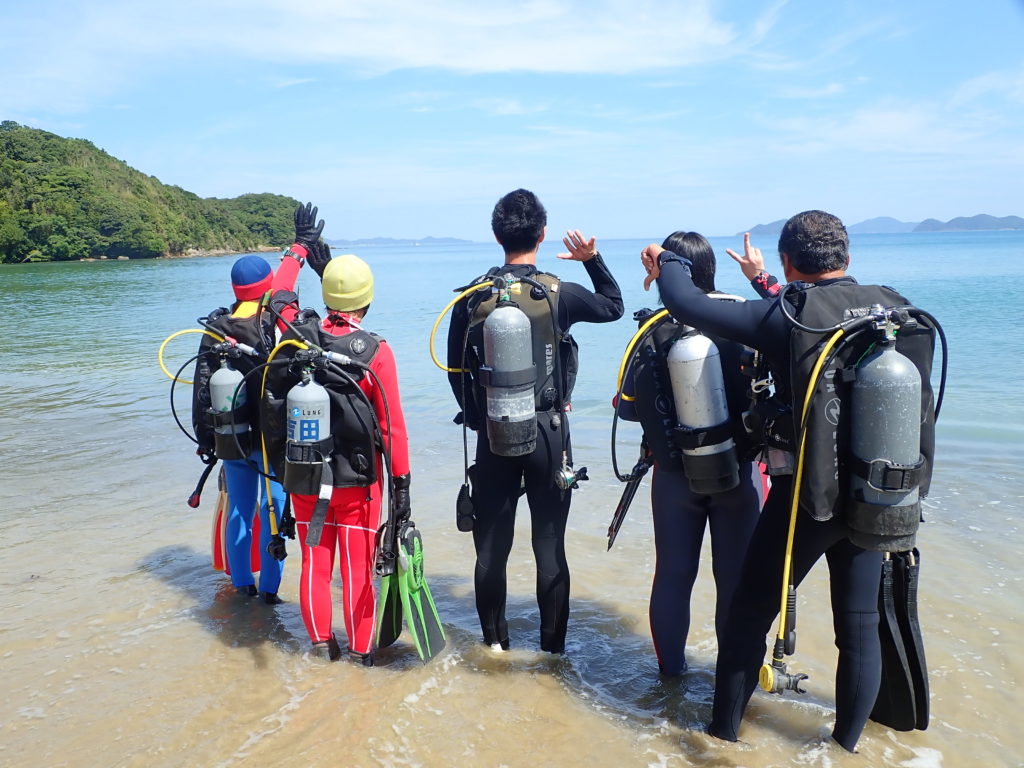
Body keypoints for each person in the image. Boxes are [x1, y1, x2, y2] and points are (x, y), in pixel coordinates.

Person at [639, 211, 937, 751]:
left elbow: (686, 304)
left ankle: (719, 741)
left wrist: (670, 261)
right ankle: (844, 750)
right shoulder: (894, 306)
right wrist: (761, 280)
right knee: (860, 625)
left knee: (750, 615)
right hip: (877, 496)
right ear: (846, 257)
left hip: (807, 499)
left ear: (786, 262)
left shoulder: (791, 315)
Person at [445, 188, 624, 653]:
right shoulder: (557, 294)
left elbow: (455, 371)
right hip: (549, 433)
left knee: (491, 551)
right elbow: (613, 305)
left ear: (495, 234)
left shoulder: (471, 298)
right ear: (543, 234)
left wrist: (482, 418)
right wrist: (592, 258)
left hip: (492, 435)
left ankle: (494, 648)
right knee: (549, 546)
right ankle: (553, 656)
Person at [615, 231, 764, 677]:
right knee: (735, 582)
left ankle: (671, 678)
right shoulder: (743, 318)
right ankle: (732, 685)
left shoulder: (650, 330)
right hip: (739, 474)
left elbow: (626, 410)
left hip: (674, 479)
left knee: (674, 577)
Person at [265, 252, 411, 665]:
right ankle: (361, 654)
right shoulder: (376, 351)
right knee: (357, 570)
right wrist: (402, 486)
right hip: (356, 485)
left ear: (326, 295)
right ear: (368, 298)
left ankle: (320, 648)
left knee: (314, 560)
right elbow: (391, 427)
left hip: (306, 476)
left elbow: (278, 297)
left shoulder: (297, 331)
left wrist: (298, 252)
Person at [192, 203, 330, 603]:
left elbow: (203, 388)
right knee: (276, 516)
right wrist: (302, 246)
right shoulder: (277, 316)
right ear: (266, 288)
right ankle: (270, 593)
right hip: (272, 443)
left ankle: (242, 587)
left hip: (232, 437)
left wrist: (205, 439)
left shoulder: (218, 328)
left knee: (240, 512)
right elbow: (286, 281)